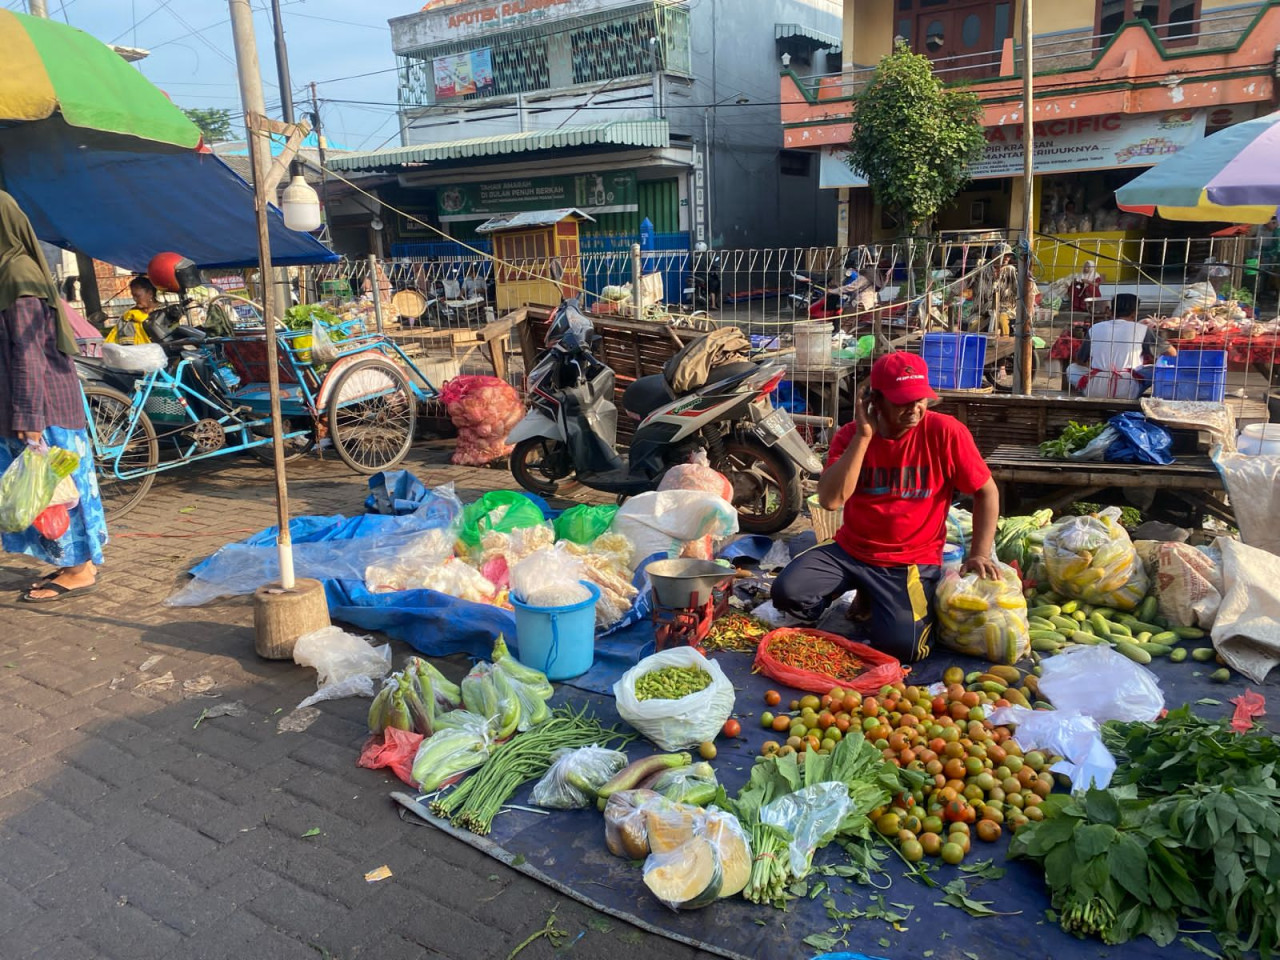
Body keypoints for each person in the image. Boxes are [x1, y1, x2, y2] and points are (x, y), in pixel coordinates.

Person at [771, 352, 1000, 662]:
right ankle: (864, 592)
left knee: (903, 648)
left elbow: (986, 492)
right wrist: (865, 436)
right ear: (874, 401)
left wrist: (979, 554)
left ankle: (874, 598)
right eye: (903, 401)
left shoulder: (945, 432)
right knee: (787, 592)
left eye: (920, 399)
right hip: (851, 552)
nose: (915, 408)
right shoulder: (851, 436)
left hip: (910, 562)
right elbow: (830, 500)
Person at [0, 190, 106, 602]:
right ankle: (77, 562)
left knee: (60, 489)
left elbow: (27, 353)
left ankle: (81, 570)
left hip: (42, 407)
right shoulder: (10, 271)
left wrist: (28, 419)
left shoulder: (17, 277)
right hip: (40, 404)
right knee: (55, 489)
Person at [1066, 293, 1175, 399]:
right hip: (1128, 390)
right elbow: (1172, 353)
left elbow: (1080, 361)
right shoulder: (1142, 329)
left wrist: (1100, 368)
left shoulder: (1095, 328)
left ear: (1110, 310)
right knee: (1155, 369)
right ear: (1134, 313)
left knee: (1072, 368)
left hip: (1094, 388)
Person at [970, 243, 1018, 336]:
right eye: (1003, 255)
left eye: (1008, 256)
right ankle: (976, 347)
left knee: (1002, 320)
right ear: (994, 256)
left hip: (1005, 308)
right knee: (973, 327)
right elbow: (963, 282)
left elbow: (1025, 289)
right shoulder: (982, 270)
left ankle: (1005, 344)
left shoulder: (1011, 271)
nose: (1006, 258)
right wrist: (948, 301)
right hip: (982, 310)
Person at [106, 275, 159, 345]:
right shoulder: (129, 317)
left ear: (150, 293)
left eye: (138, 296)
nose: (135, 299)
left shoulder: (165, 312)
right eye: (133, 296)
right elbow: (126, 345)